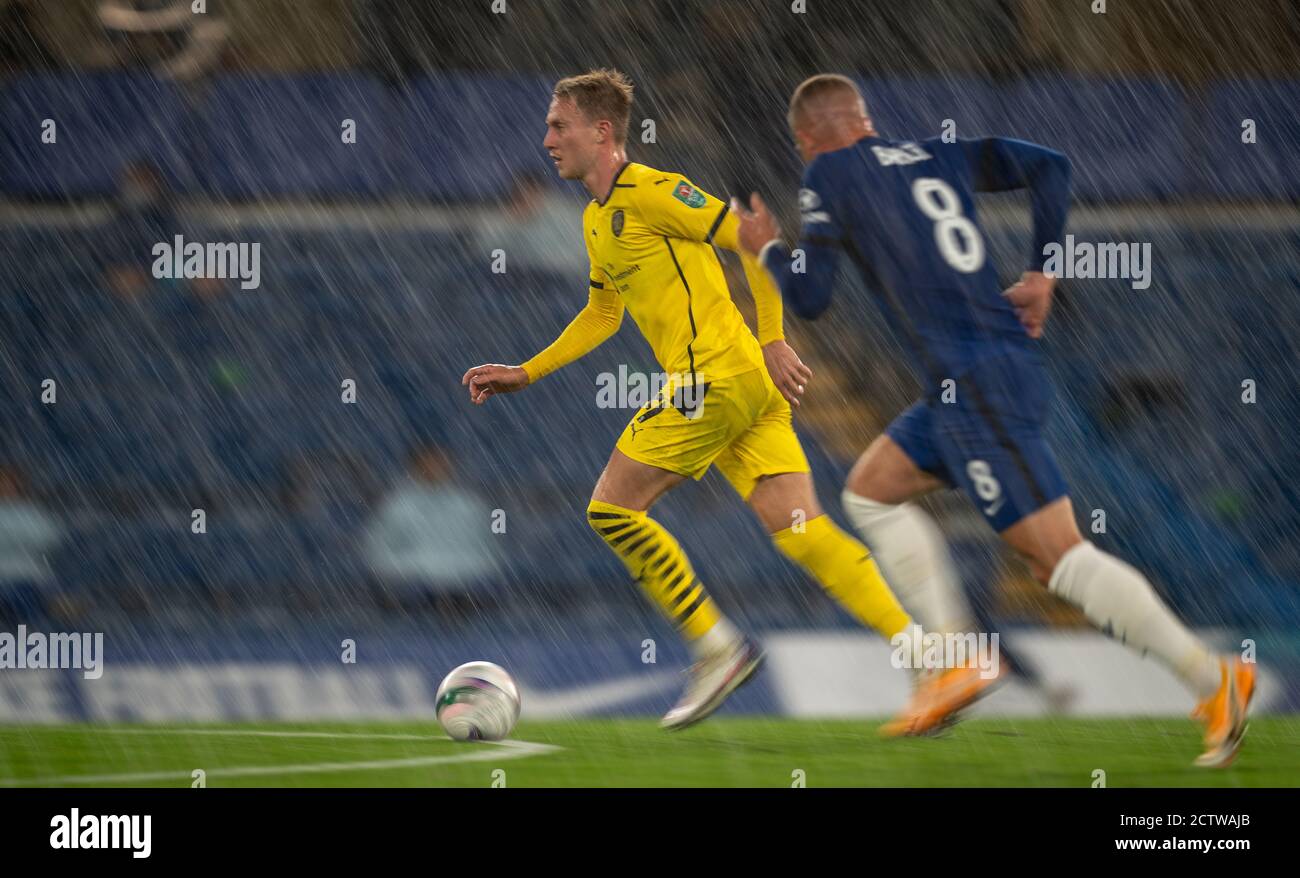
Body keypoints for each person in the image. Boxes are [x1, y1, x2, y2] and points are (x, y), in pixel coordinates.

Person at [732, 73, 1253, 766]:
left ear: (806, 139)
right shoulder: (937, 153)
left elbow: (813, 297)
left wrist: (763, 246)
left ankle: (1213, 678)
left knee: (1059, 559)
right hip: (971, 383)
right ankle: (953, 657)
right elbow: (1051, 166)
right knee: (870, 489)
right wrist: (1043, 271)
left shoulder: (828, 172)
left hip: (978, 385)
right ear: (867, 117)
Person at [461, 69, 922, 732]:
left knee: (611, 509)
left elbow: (753, 240)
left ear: (601, 131)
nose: (547, 139)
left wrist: (771, 337)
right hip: (744, 391)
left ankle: (717, 647)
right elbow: (602, 314)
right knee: (803, 532)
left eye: (559, 126)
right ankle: (928, 655)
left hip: (715, 378)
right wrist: (527, 371)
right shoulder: (597, 221)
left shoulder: (652, 191)